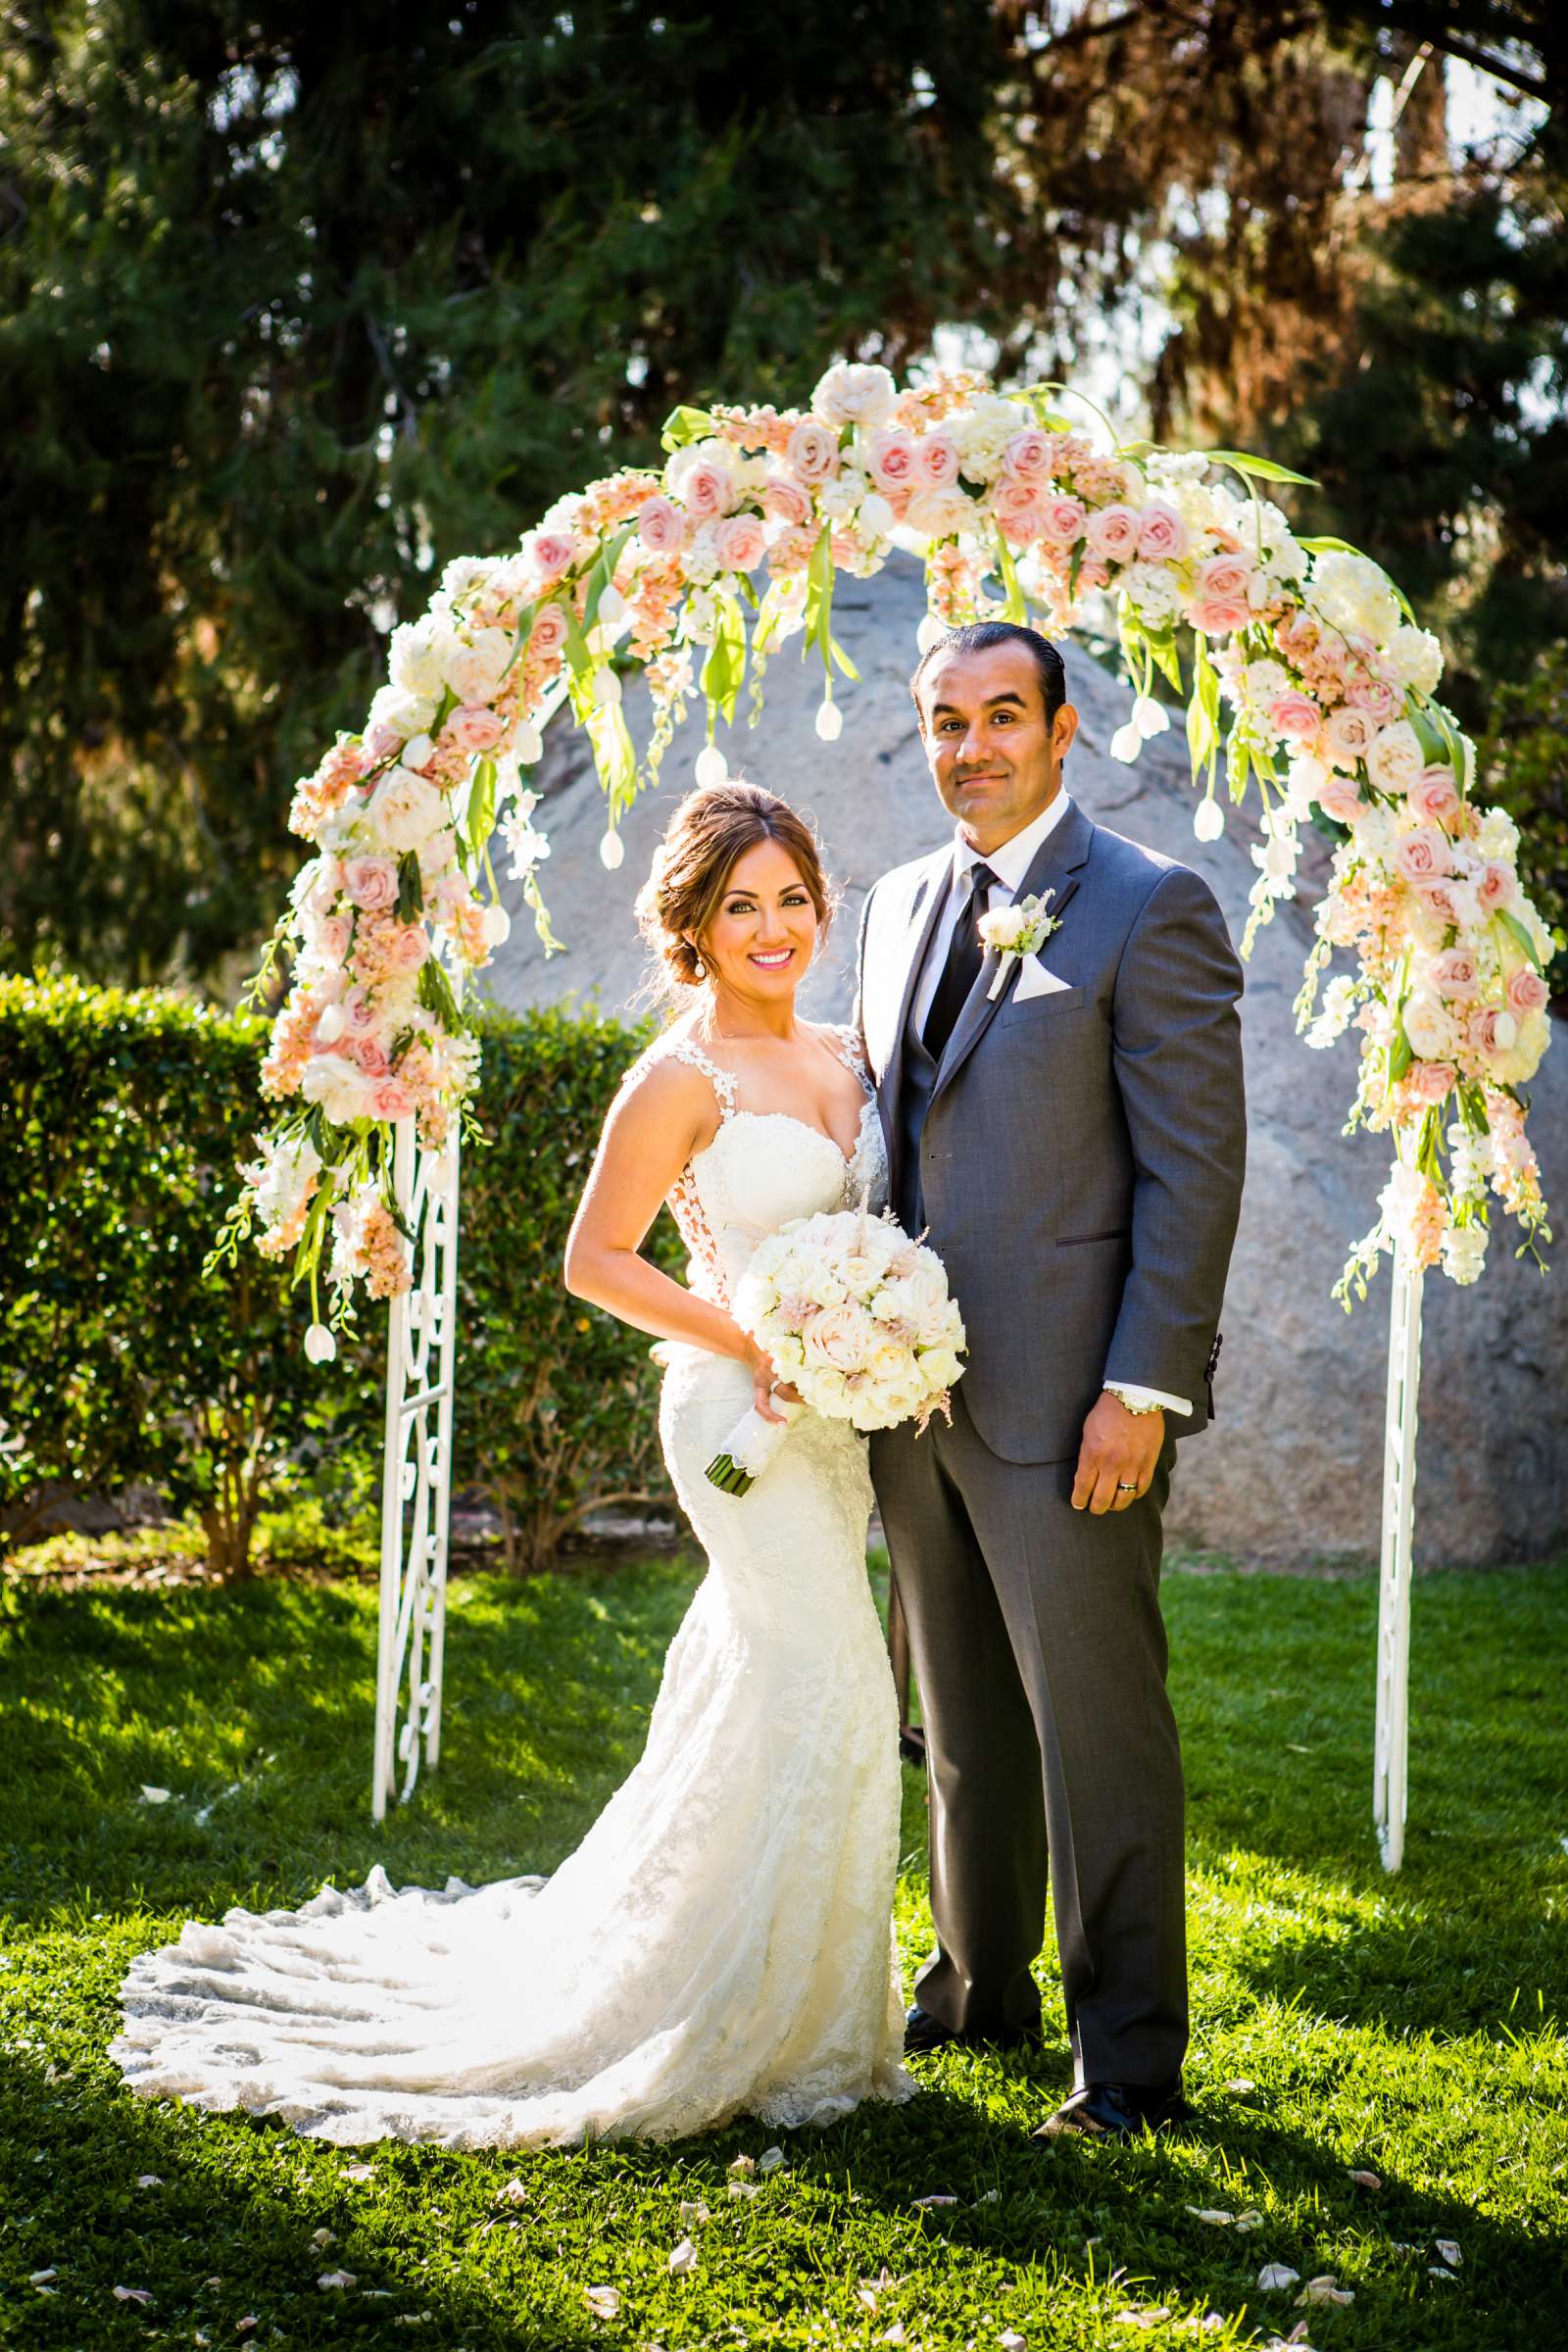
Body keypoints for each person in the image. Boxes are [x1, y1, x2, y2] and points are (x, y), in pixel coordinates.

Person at [110, 779, 910, 2149]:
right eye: (741, 906)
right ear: (696, 926)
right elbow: (594, 1262)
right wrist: (760, 1336)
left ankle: (809, 2007)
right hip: (736, 1413)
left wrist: (866, 1333)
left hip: (833, 1422)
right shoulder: (680, 1076)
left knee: (776, 1686)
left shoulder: (856, 1055)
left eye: (790, 900)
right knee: (832, 1683)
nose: (771, 928)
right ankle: (730, 2016)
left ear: (818, 908)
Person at [858, 619, 1246, 2138]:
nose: (973, 746)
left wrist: (1142, 1389)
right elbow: (895, 1136)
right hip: (913, 1399)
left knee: (1095, 1727)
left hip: (1072, 1401)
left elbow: (1193, 1175)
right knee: (958, 1723)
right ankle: (978, 1983)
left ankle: (1130, 2055)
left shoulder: (1151, 906)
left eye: (1002, 714)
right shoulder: (895, 905)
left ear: (1064, 728)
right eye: (946, 720)